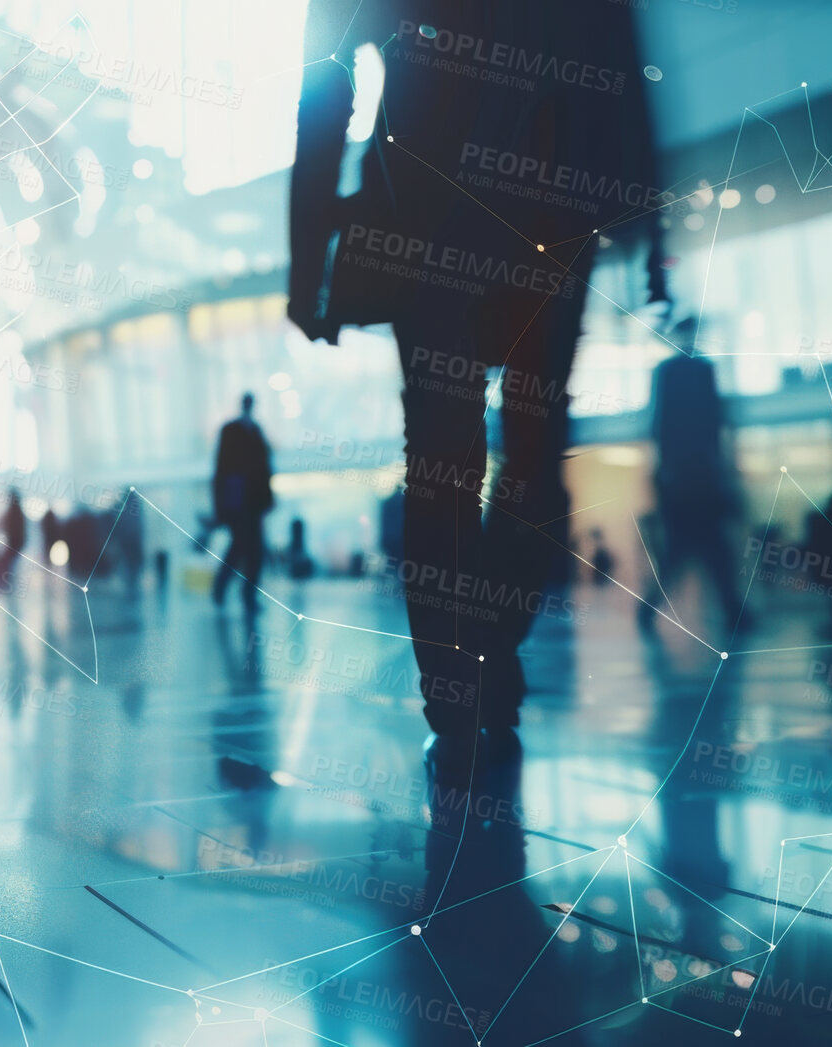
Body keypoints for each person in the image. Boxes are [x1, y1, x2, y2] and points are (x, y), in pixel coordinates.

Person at [288, 0, 665, 735]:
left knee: (458, 455)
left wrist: (310, 260)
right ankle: (466, 665)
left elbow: (324, 81)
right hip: (506, 213)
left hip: (469, 213)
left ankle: (467, 663)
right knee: (512, 447)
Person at [639, 331, 744, 633]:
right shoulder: (698, 373)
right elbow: (712, 427)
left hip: (685, 491)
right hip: (697, 490)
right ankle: (733, 609)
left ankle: (732, 608)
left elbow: (660, 428)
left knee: (684, 561)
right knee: (711, 558)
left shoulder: (672, 373)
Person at [211, 394, 274, 610]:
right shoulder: (231, 431)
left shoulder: (255, 431)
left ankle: (246, 595)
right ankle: (221, 588)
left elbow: (264, 469)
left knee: (254, 551)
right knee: (239, 547)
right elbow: (221, 469)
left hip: (254, 503)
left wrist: (267, 498)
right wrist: (221, 505)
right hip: (237, 503)